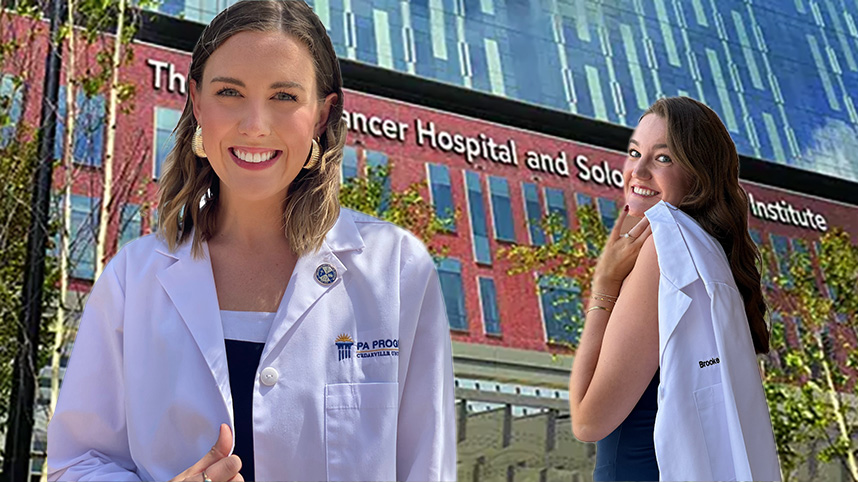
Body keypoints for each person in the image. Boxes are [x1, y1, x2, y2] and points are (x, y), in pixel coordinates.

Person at [46, 1, 456, 480]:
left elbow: (428, 468)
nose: (255, 124)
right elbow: (78, 461)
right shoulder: (132, 279)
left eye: (284, 96)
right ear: (198, 103)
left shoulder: (399, 271)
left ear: (323, 115)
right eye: (230, 92)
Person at [569, 97, 781, 481]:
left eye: (663, 158)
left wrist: (604, 286)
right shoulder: (712, 258)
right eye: (635, 153)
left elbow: (588, 421)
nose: (639, 171)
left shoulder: (665, 247)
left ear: (698, 174)